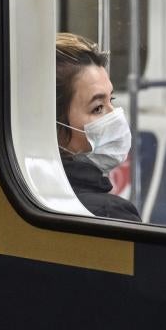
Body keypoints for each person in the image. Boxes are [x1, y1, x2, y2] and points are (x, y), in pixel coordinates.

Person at [56, 33, 140, 222]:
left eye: (111, 100)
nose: (115, 116)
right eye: (98, 108)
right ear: (55, 128)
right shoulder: (108, 213)